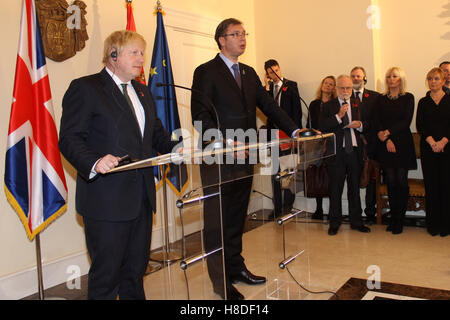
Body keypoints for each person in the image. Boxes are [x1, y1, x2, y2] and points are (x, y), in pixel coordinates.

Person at [58, 30, 180, 299]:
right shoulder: (86, 88)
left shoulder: (144, 92)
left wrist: (178, 147)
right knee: (106, 277)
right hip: (107, 201)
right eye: (134, 52)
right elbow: (69, 138)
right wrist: (94, 161)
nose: (141, 59)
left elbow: (156, 135)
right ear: (113, 55)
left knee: (135, 274)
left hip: (142, 199)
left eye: (142, 52)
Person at [191, 18, 302, 300]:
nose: (242, 38)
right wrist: (227, 143)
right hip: (219, 158)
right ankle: (221, 282)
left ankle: (236, 267)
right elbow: (199, 117)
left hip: (246, 157)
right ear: (221, 39)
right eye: (236, 34)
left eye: (244, 34)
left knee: (237, 216)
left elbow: (269, 107)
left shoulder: (249, 72)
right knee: (218, 220)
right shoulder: (206, 72)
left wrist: (295, 129)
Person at [319, 75, 371, 236]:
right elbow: (322, 126)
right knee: (336, 189)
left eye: (348, 88)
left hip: (355, 152)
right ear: (336, 89)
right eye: (342, 88)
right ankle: (335, 223)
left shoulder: (358, 104)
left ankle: (357, 222)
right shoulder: (328, 106)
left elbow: (368, 124)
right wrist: (338, 116)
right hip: (337, 153)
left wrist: (360, 125)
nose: (346, 91)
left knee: (354, 189)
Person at [373, 67, 416, 235]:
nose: (391, 79)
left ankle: (400, 220)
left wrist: (388, 133)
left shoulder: (408, 97)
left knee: (401, 181)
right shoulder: (380, 99)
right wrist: (386, 138)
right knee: (390, 181)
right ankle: (392, 219)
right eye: (389, 76)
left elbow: (406, 121)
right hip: (385, 144)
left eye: (395, 76)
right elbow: (376, 119)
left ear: (401, 79)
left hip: (403, 143)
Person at [263, 59, 303, 218]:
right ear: (267, 74)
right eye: (271, 72)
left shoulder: (291, 85)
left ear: (280, 69)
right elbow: (265, 109)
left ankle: (288, 206)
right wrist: (266, 88)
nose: (275, 74)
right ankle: (277, 207)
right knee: (275, 173)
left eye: (276, 70)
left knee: (289, 171)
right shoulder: (266, 89)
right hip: (273, 136)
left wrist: (296, 134)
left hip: (288, 135)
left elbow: (297, 112)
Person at [416, 67, 450, 237]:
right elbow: (420, 125)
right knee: (432, 186)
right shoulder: (423, 102)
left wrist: (443, 141)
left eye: (437, 78)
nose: (433, 82)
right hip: (428, 149)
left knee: (446, 186)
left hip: (447, 148)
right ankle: (433, 224)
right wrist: (432, 142)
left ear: (444, 81)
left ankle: (446, 225)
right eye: (430, 79)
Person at [350, 66, 380, 225]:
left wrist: (363, 126)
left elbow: (377, 120)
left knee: (371, 180)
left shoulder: (375, 97)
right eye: (353, 76)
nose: (356, 79)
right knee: (354, 179)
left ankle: (370, 212)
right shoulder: (345, 97)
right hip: (352, 146)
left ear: (364, 78)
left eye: (359, 76)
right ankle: (356, 214)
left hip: (371, 144)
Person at [308, 75, 336, 220]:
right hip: (315, 143)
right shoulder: (314, 104)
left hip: (330, 142)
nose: (328, 86)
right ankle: (318, 209)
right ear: (322, 85)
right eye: (326, 83)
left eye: (331, 84)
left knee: (330, 176)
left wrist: (326, 140)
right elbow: (310, 123)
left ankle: (333, 209)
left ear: (334, 88)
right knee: (317, 176)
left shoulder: (335, 104)